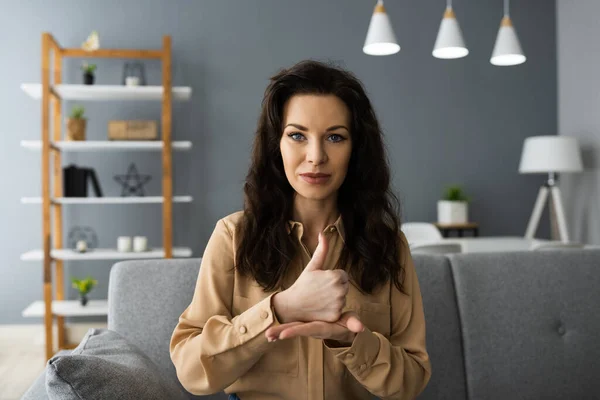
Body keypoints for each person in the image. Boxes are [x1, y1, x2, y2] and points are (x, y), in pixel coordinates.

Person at [170, 60, 431, 400]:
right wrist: (281, 309)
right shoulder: (232, 236)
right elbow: (192, 372)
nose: (316, 156)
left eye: (335, 137)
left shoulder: (389, 245)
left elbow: (411, 382)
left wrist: (352, 341)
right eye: (297, 135)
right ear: (276, 145)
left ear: (356, 149)